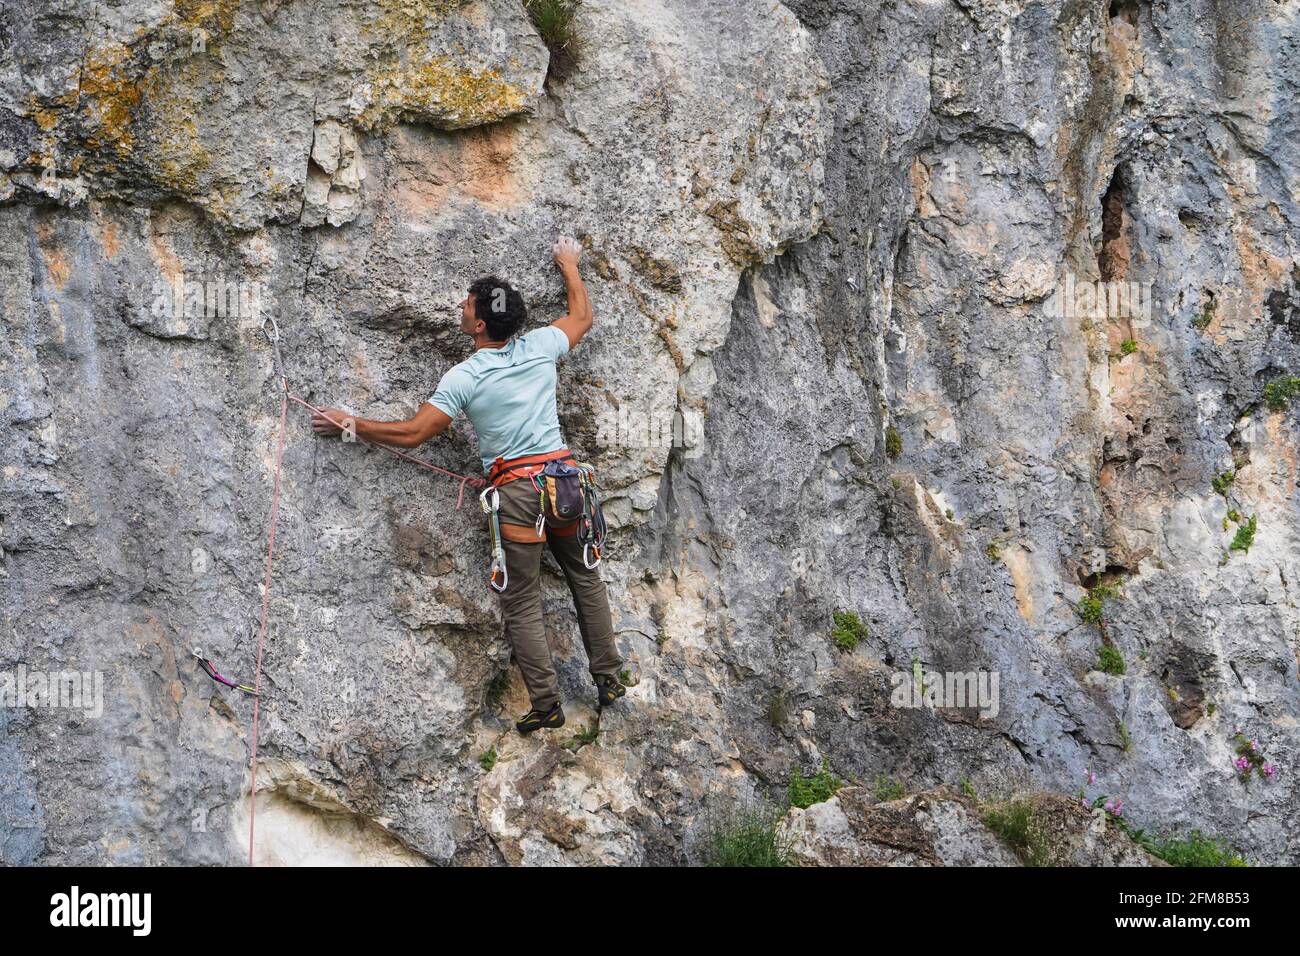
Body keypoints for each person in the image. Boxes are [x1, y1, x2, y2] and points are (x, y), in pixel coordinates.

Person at [311, 236, 625, 733]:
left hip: (521, 495)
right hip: (567, 485)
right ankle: (607, 677)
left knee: (522, 599)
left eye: (467, 303)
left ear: (479, 324)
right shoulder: (541, 346)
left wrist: (350, 422)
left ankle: (546, 705)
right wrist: (569, 265)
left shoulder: (465, 377)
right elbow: (582, 316)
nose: (460, 305)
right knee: (584, 577)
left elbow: (414, 433)